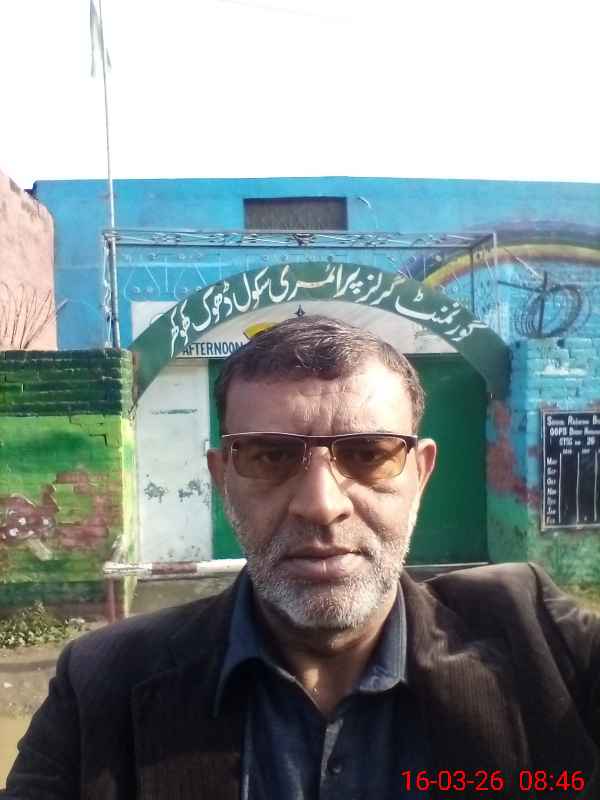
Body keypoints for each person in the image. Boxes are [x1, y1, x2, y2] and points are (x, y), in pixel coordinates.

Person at [3, 315, 600, 800]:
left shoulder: (548, 648)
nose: (321, 505)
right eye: (270, 456)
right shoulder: (102, 685)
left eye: (369, 454)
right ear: (223, 477)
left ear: (420, 474)